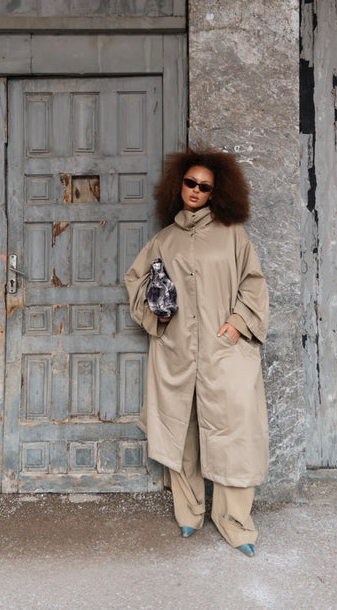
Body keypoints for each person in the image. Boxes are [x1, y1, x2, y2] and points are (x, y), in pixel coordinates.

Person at [124, 147, 269, 557]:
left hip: (225, 352)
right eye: (190, 183)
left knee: (234, 435)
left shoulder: (233, 234)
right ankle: (189, 512)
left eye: (205, 187)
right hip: (176, 351)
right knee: (181, 432)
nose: (196, 190)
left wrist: (238, 323)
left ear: (215, 193)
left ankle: (235, 523)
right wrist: (157, 314)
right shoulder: (164, 240)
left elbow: (254, 283)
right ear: (179, 185)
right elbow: (136, 283)